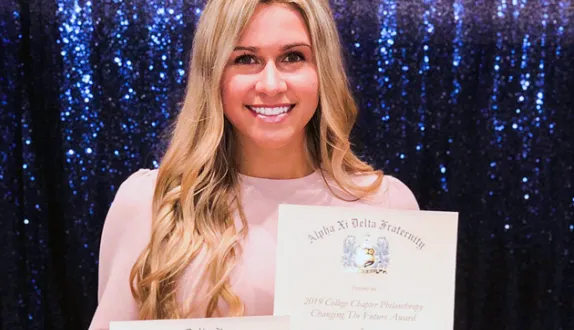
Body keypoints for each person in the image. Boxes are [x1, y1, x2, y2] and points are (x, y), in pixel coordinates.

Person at [89, 0, 419, 328]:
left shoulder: (388, 208)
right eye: (245, 59)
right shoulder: (152, 203)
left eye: (293, 57)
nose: (271, 85)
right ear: (213, 75)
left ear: (324, 70)